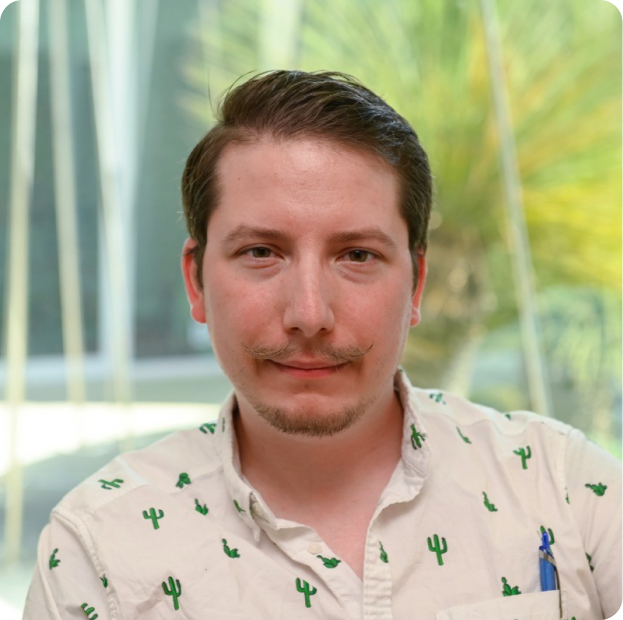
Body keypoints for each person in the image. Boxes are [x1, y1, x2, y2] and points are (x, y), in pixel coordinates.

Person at [23, 70, 621, 620]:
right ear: (196, 282)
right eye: (261, 252)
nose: (309, 315)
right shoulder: (98, 550)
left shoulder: (564, 487)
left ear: (416, 284)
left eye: (357, 255)